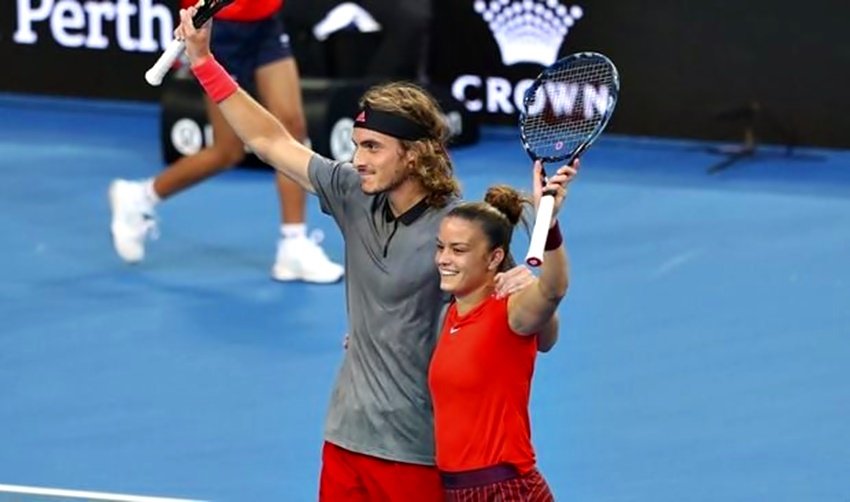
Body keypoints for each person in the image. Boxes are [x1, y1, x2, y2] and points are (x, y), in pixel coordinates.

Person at [170, 6, 560, 500]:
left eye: (373, 147)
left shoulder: (459, 231)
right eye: (357, 145)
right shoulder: (352, 193)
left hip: (415, 452)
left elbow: (538, 335)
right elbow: (269, 140)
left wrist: (536, 293)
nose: (358, 160)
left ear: (414, 154)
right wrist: (204, 62)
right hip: (344, 439)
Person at [108, 0, 344, 284]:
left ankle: (293, 244)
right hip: (218, 26)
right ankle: (140, 196)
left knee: (292, 127)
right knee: (227, 151)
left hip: (264, 20)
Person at [429, 163, 575, 501]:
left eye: (458, 250)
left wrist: (548, 224)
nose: (444, 259)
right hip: (457, 490)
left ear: (494, 257)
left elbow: (553, 289)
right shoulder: (450, 315)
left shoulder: (510, 312)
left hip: (505, 491)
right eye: (441, 247)